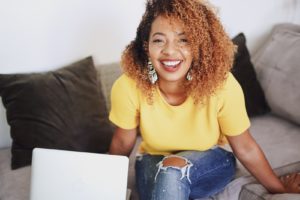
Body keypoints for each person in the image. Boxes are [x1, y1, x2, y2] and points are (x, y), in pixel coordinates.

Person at [109, 0, 300, 199]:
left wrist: (279, 189)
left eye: (183, 40)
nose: (170, 51)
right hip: (152, 161)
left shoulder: (222, 85)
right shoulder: (128, 86)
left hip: (210, 161)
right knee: (167, 178)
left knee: (172, 171)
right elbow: (123, 141)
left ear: (199, 46)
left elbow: (245, 147)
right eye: (159, 40)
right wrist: (103, 181)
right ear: (146, 46)